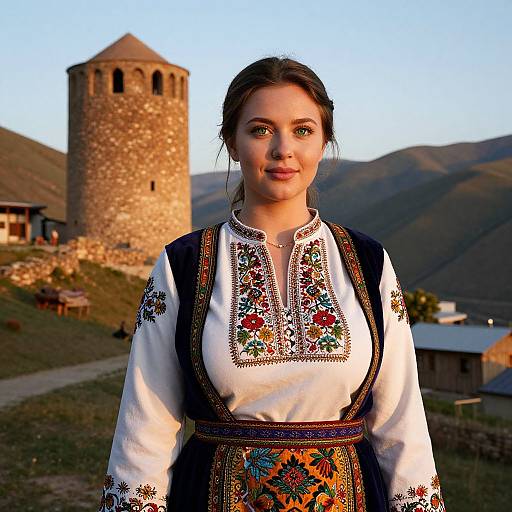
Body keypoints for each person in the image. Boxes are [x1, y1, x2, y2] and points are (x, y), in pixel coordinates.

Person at [98, 57, 445, 512]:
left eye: (303, 130)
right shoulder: (183, 265)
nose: (284, 149)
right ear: (232, 142)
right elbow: (146, 426)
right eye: (261, 130)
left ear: (324, 142)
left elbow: (401, 422)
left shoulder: (367, 262)